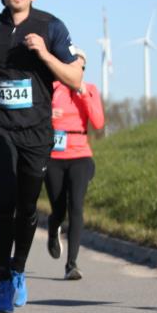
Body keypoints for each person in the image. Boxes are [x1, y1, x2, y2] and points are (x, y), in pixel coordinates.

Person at [0, 0, 82, 313]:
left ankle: (18, 269)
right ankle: (4, 279)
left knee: (28, 205)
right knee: (5, 200)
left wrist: (45, 53)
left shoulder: (51, 26)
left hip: (36, 130)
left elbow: (75, 78)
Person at [45, 48, 105, 280]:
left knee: (76, 206)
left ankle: (72, 264)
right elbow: (40, 117)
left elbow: (98, 123)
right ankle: (53, 229)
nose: (77, 70)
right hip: (54, 157)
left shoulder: (90, 90)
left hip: (80, 155)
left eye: (81, 66)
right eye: (72, 65)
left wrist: (83, 94)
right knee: (58, 209)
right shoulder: (53, 88)